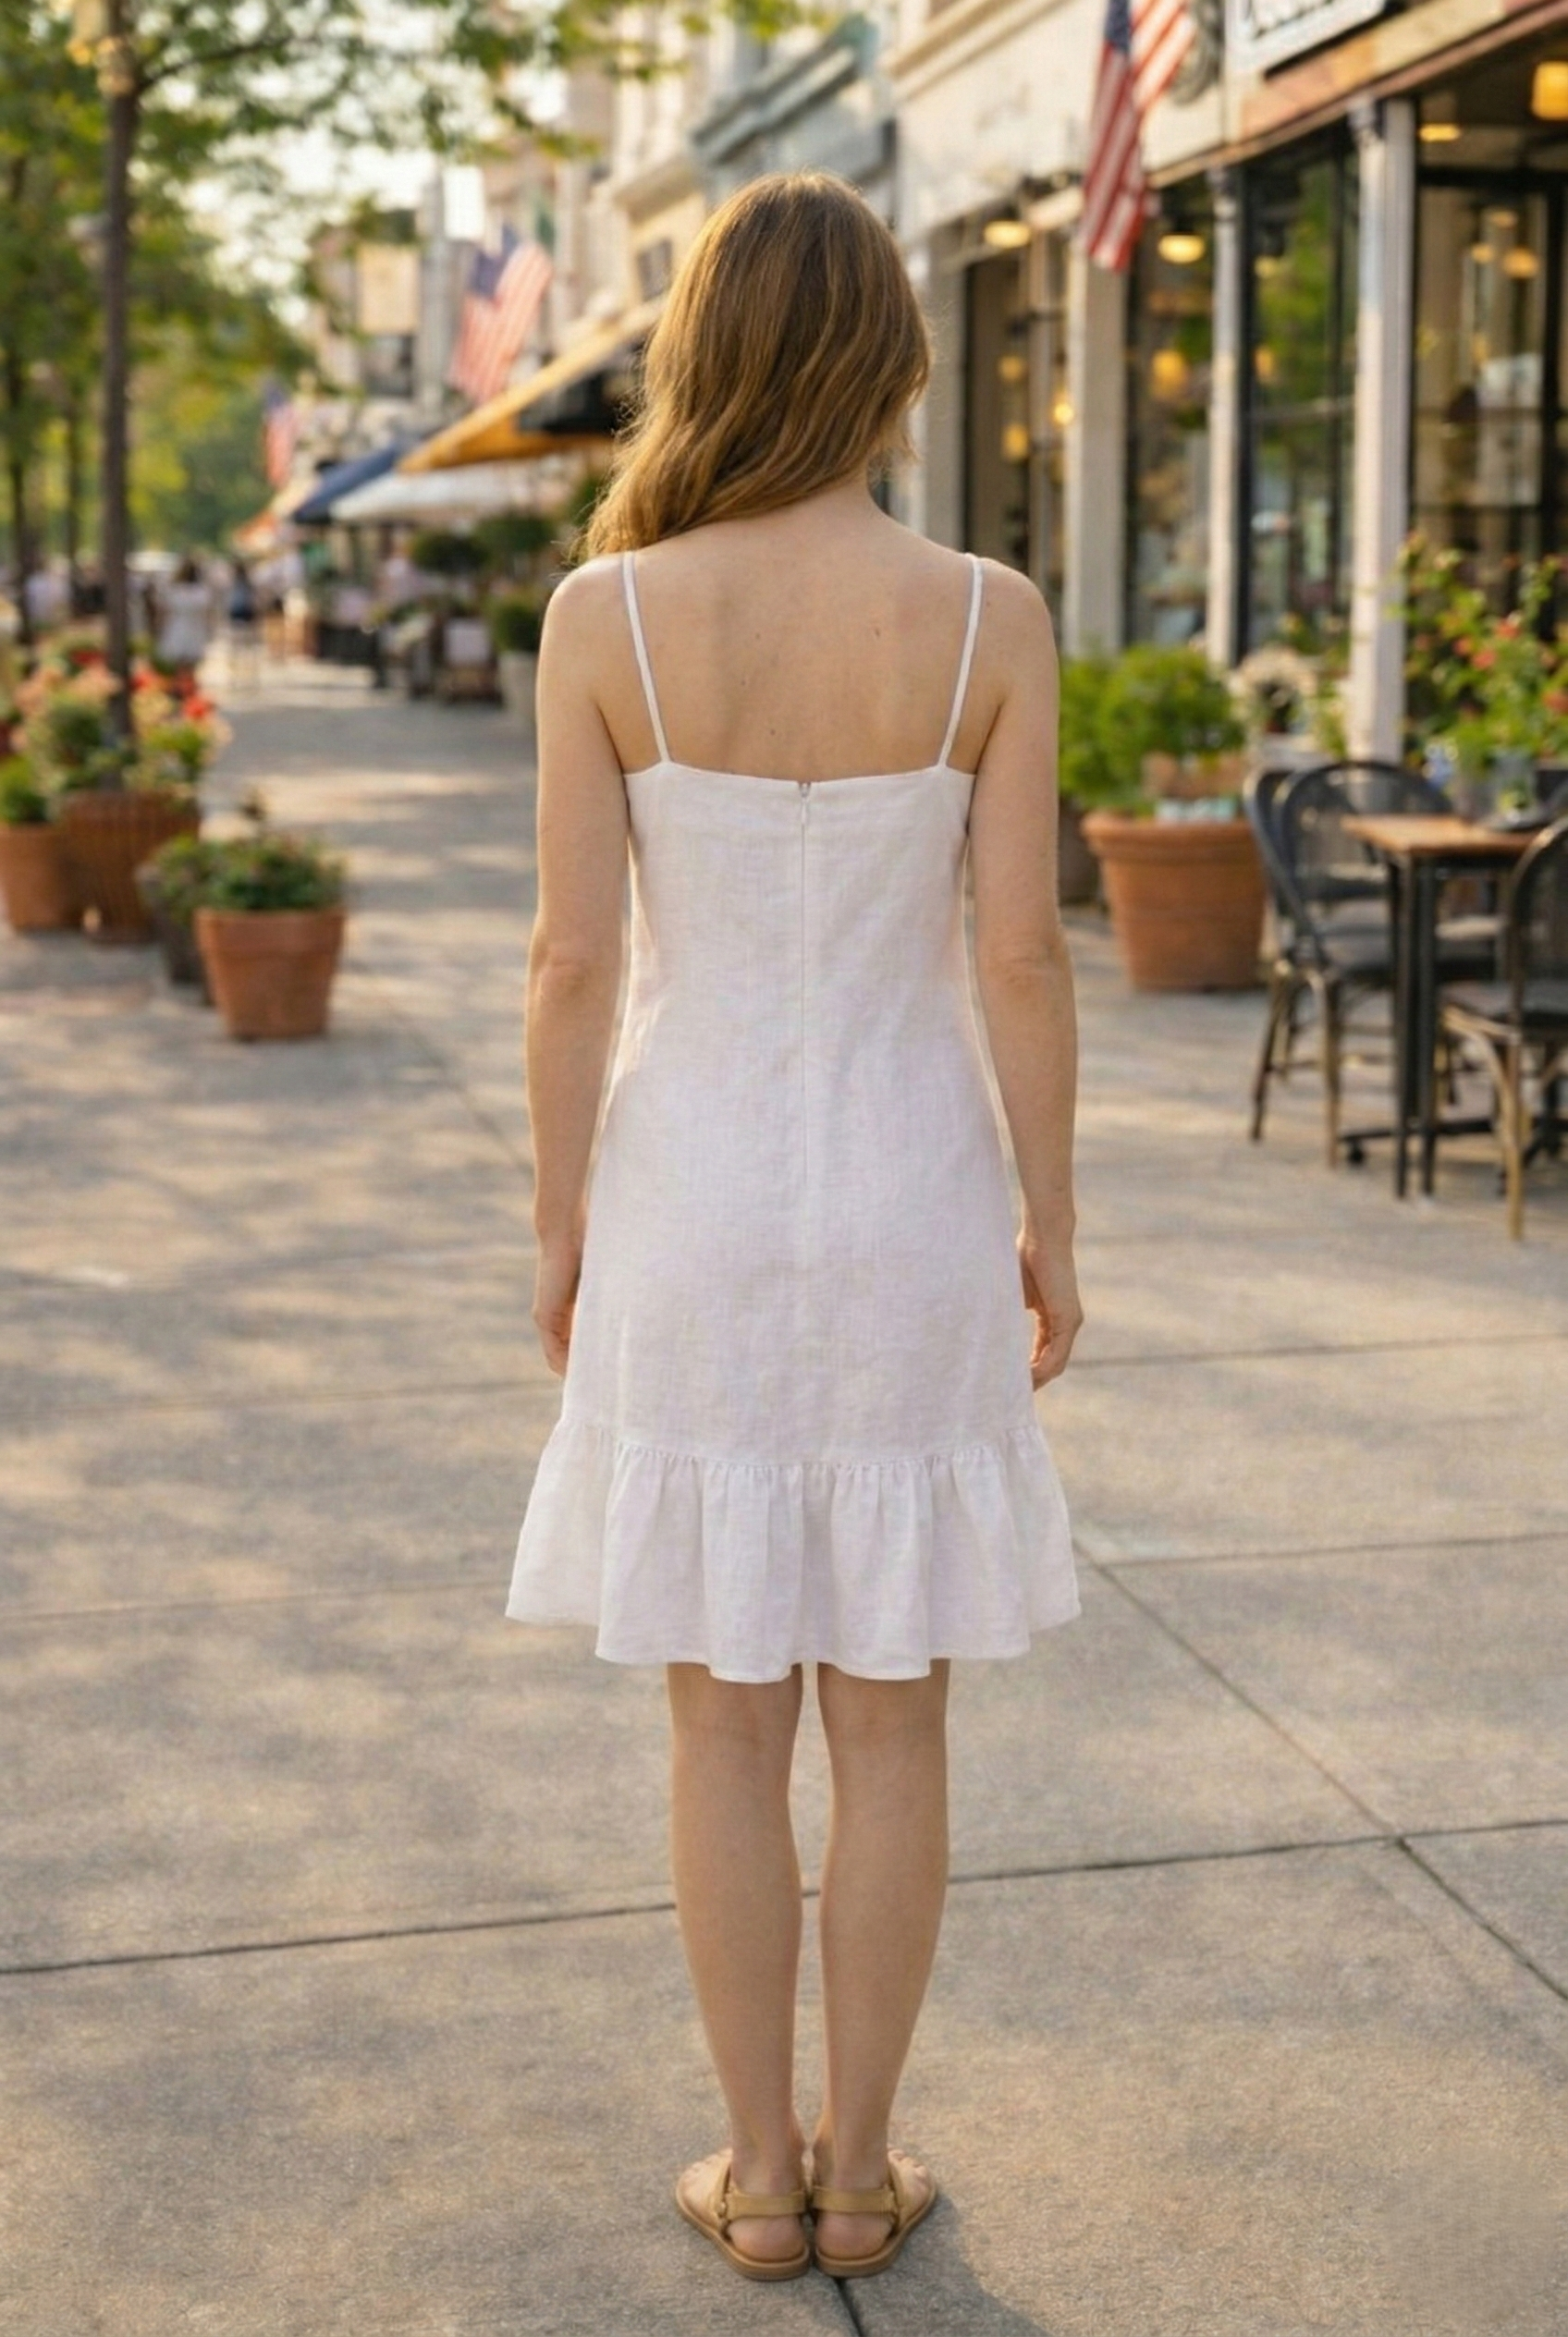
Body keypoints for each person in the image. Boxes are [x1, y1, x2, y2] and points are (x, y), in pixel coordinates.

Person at [508, 171, 1083, 2285]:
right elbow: (1019, 960)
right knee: (898, 1709)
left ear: (703, 352)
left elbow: (573, 963)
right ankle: (864, 2163)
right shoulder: (987, 615)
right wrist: (1059, 1225)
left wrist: (559, 1226)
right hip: (916, 1191)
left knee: (722, 1713)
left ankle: (755, 2174)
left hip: (694, 1195)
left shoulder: (614, 614)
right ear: (893, 360)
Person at [155, 555, 213, 682]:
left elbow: (164, 612)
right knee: (191, 666)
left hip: (177, 628)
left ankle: (181, 690)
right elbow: (207, 614)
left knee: (178, 666)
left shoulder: (174, 590)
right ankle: (189, 690)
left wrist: (159, 630)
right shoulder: (201, 592)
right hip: (195, 629)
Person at [225, 556, 261, 684]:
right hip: (246, 613)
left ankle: (238, 671)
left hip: (237, 613)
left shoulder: (233, 583)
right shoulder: (247, 583)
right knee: (247, 644)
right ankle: (248, 671)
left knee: (236, 644)